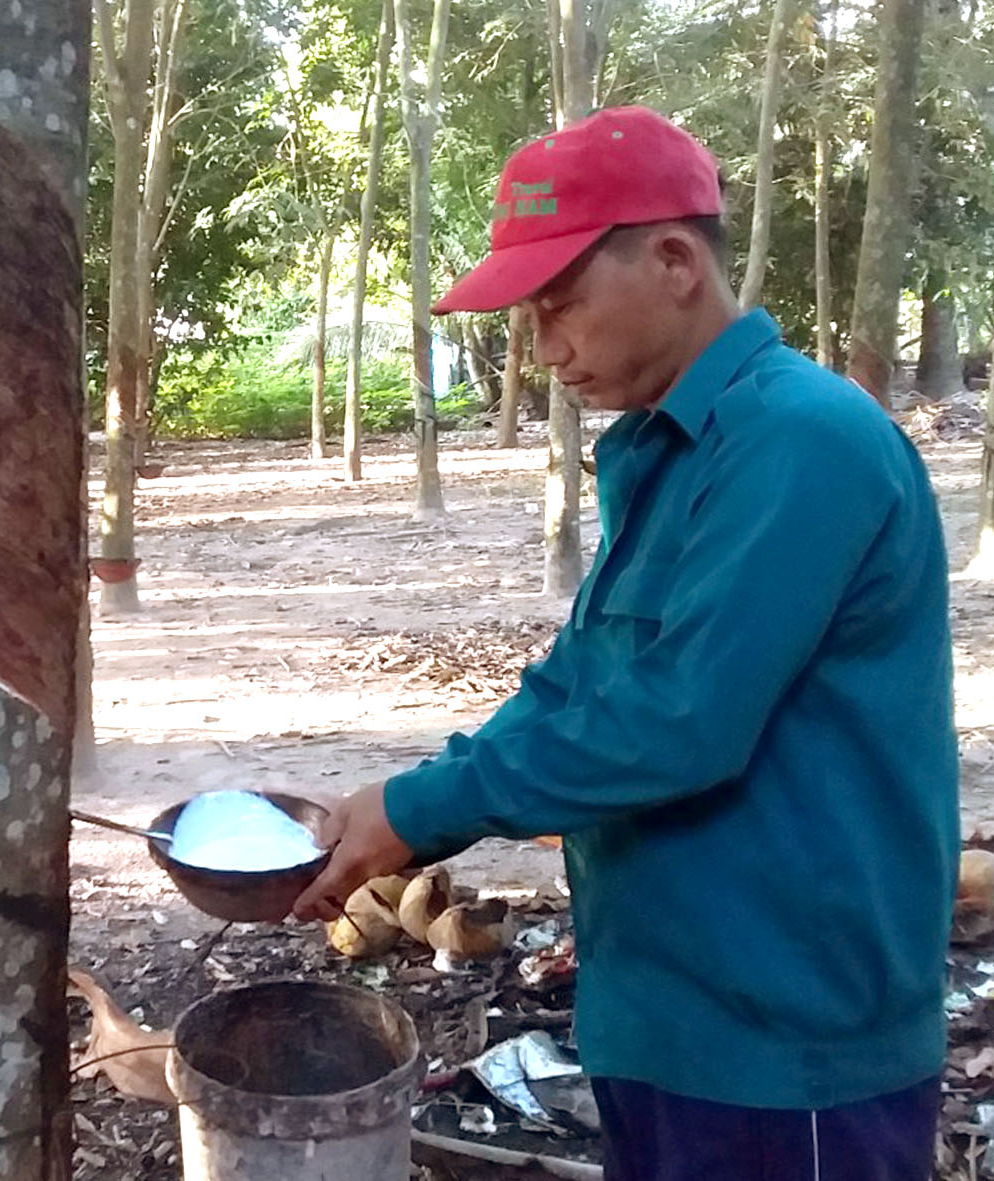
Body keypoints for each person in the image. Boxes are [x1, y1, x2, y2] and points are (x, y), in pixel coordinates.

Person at [291, 106, 959, 1181]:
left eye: (558, 300)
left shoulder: (801, 439)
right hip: (668, 1004)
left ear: (671, 259)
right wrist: (400, 817)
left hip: (788, 1031)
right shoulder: (669, 449)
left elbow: (677, 721)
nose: (542, 342)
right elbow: (582, 683)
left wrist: (419, 809)